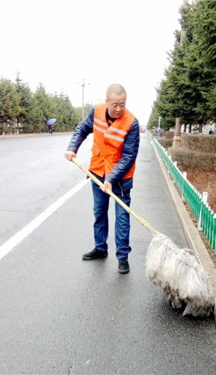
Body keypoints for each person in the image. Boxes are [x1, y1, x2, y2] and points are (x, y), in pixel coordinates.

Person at [64, 84, 140, 274]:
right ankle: (100, 248)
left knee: (122, 217)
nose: (118, 109)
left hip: (121, 179)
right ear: (106, 101)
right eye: (114, 104)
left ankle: (122, 257)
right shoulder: (96, 111)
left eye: (122, 104)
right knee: (99, 212)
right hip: (98, 171)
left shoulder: (132, 123)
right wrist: (72, 147)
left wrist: (112, 178)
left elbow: (129, 156)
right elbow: (82, 129)